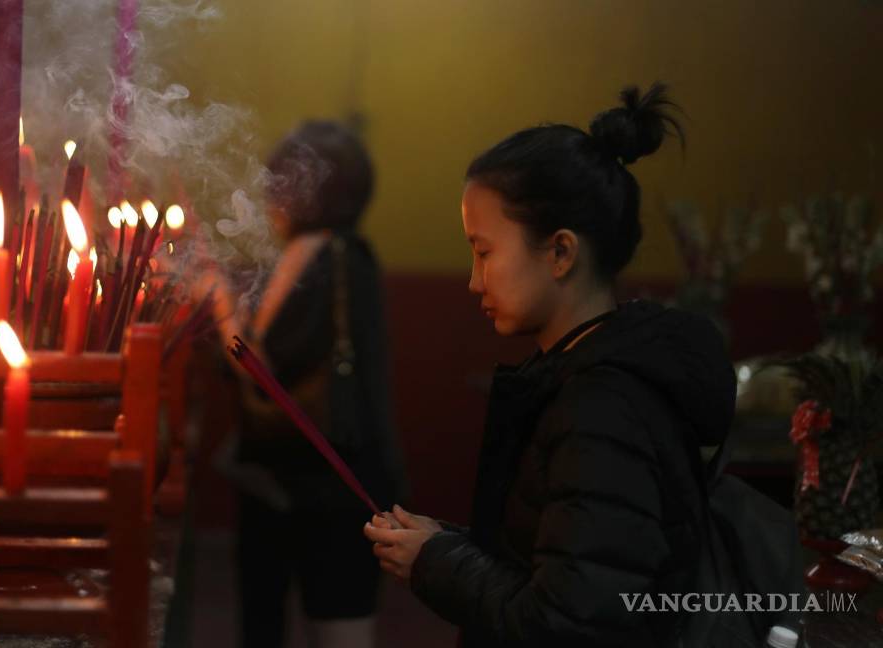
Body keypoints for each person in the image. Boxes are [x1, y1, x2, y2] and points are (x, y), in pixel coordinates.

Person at [364, 84, 736, 646]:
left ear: (561, 252)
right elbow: (559, 555)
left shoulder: (603, 407)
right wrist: (448, 546)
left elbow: (568, 622)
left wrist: (437, 564)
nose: (472, 280)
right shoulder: (580, 375)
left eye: (484, 251)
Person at [218, 120, 406, 648]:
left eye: (280, 179)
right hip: (293, 482)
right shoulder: (338, 254)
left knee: (334, 629)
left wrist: (215, 302)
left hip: (325, 485)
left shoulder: (326, 256)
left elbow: (255, 361)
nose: (269, 193)